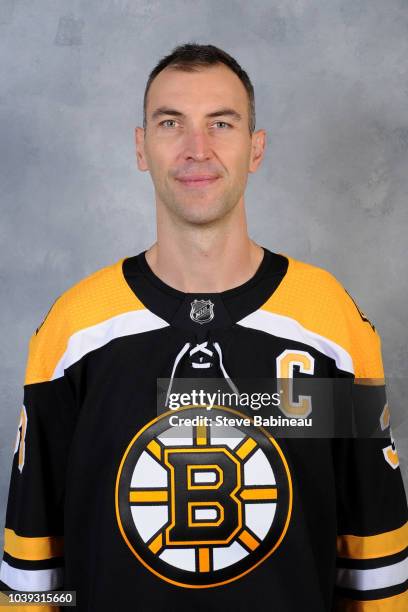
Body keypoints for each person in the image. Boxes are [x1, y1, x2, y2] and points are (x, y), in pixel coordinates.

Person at [0, 43, 407, 612]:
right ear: (141, 147)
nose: (198, 149)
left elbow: (373, 559)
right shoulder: (73, 332)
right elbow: (34, 575)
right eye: (171, 123)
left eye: (222, 123)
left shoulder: (330, 324)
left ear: (255, 148)